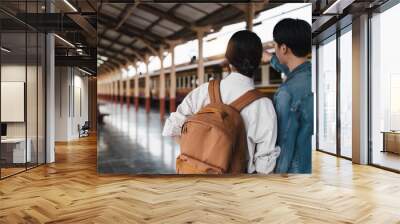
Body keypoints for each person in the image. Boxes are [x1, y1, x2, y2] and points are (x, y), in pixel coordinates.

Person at [162, 30, 280, 174]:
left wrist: (194, 154)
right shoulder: (263, 105)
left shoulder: (204, 91)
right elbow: (264, 166)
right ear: (259, 60)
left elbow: (171, 127)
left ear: (228, 60)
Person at [263, 18, 313, 173]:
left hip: (295, 172)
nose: (275, 50)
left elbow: (284, 143)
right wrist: (271, 59)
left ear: (283, 48)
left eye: (275, 46)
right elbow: (292, 72)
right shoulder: (313, 74)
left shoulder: (287, 92)